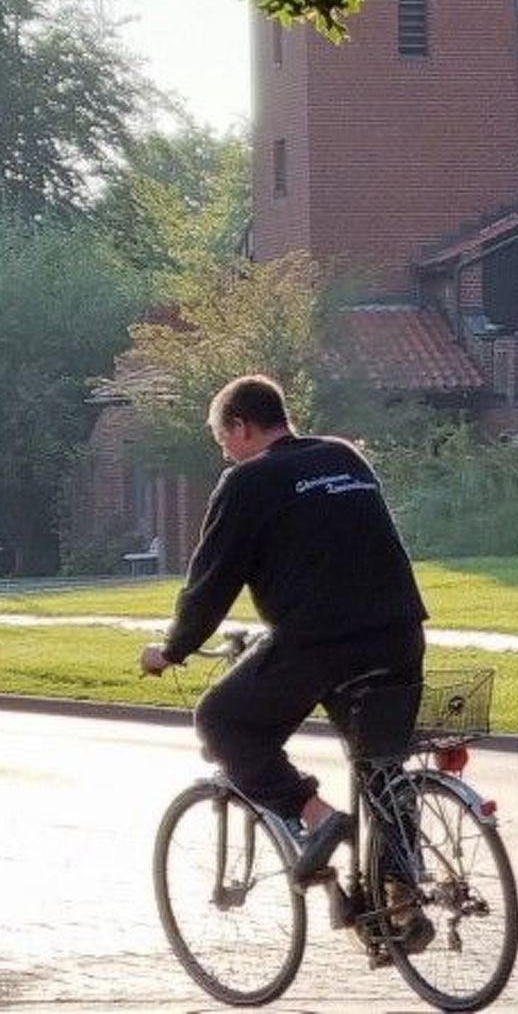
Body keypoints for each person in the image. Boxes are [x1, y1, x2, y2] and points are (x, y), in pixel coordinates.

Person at [140, 375, 429, 883]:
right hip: (399, 631)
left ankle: (316, 817)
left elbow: (212, 580)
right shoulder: (344, 456)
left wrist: (173, 649)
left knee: (221, 720)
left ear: (241, 426)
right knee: (381, 766)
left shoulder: (247, 482)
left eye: (223, 440)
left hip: (321, 643)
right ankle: (403, 898)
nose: (226, 454)